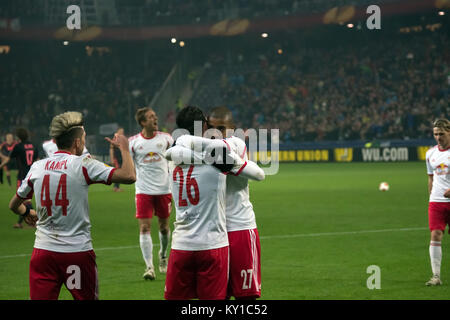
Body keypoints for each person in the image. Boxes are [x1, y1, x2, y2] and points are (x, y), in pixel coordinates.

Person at [7, 111, 136, 300]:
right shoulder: (83, 164)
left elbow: (13, 204)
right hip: (76, 254)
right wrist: (125, 148)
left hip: (43, 254)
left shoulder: (38, 166)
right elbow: (129, 175)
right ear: (77, 142)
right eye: (83, 138)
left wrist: (27, 211)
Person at [163, 105, 230, 300]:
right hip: (212, 244)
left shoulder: (172, 157)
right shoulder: (217, 156)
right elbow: (235, 164)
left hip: (181, 244)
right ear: (203, 126)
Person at [208, 106, 265, 299]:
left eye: (221, 128)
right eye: (211, 128)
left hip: (239, 227)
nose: (215, 134)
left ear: (232, 129)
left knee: (246, 296)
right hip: (214, 231)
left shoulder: (235, 145)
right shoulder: (205, 147)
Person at [128, 107, 174, 280]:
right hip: (143, 191)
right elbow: (130, 165)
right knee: (145, 227)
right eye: (151, 117)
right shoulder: (133, 143)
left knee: (164, 227)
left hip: (163, 190)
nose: (155, 119)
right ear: (142, 122)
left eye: (155, 116)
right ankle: (149, 267)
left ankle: (162, 255)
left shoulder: (167, 139)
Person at [425, 118, 450, 286]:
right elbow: (430, 178)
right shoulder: (430, 154)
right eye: (435, 134)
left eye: (441, 133)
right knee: (435, 234)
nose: (438, 137)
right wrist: (431, 196)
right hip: (436, 202)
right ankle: (436, 276)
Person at [0, 128, 39, 229]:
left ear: (18, 137)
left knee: (20, 201)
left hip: (22, 177)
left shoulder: (18, 146)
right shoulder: (33, 145)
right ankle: (26, 222)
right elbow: (37, 160)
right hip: (33, 176)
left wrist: (0, 166)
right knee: (26, 200)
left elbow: (8, 159)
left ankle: (34, 221)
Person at [110, 127, 125, 192]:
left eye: (123, 131)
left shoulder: (123, 140)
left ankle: (117, 187)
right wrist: (112, 159)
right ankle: (116, 187)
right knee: (118, 173)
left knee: (120, 173)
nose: (122, 133)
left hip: (121, 159)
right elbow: (111, 149)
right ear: (118, 132)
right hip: (116, 158)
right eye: (121, 131)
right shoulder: (114, 139)